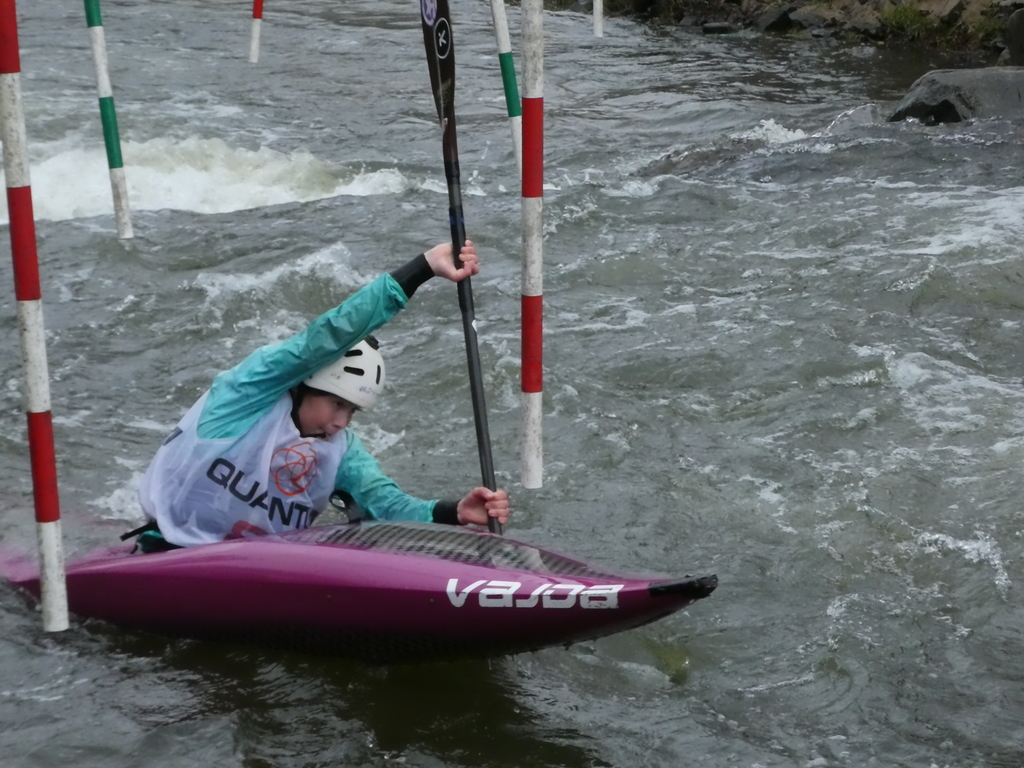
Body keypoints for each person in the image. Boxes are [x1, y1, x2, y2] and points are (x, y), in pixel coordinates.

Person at [131, 240, 510, 551]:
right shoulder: (245, 395)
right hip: (169, 548)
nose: (341, 422)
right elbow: (326, 336)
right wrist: (422, 268)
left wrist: (454, 512)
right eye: (337, 403)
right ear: (304, 386)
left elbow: (388, 506)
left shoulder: (341, 452)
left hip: (250, 572)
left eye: (352, 411)